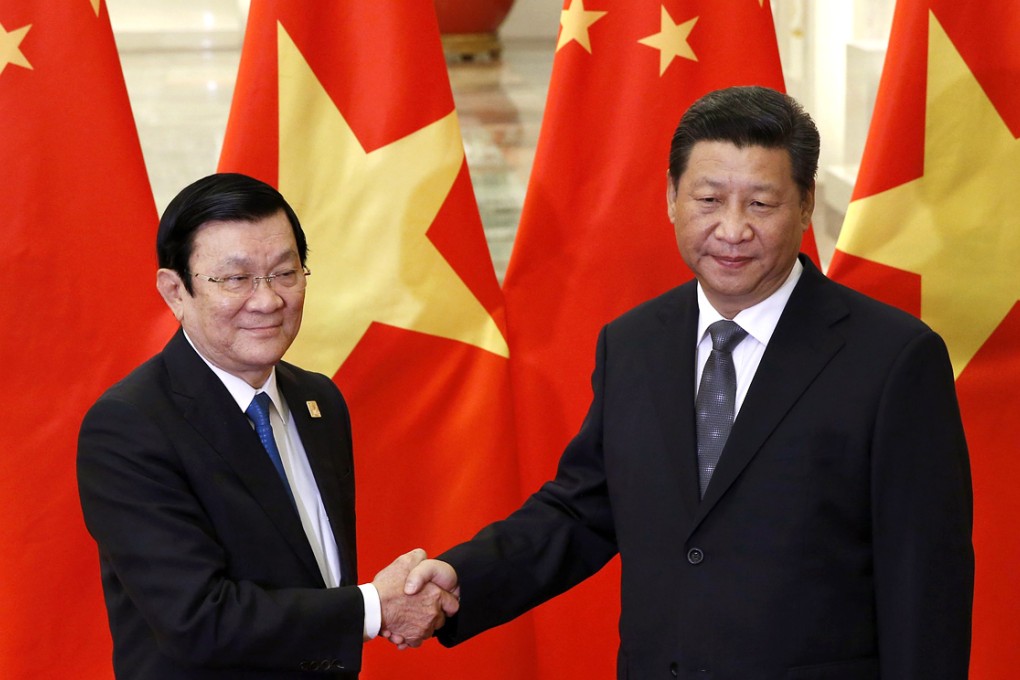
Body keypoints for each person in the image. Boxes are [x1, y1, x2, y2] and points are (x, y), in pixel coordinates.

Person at [398, 86, 974, 678]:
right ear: (672, 198)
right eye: (708, 198)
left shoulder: (894, 359)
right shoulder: (634, 343)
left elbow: (924, 581)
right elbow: (581, 512)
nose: (732, 229)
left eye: (761, 204)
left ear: (806, 206)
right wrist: (462, 578)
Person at [77, 173, 456, 679]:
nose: (268, 300)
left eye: (285, 273)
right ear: (175, 291)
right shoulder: (130, 424)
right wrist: (374, 607)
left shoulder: (318, 399)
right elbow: (197, 620)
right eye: (235, 279)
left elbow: (310, 572)